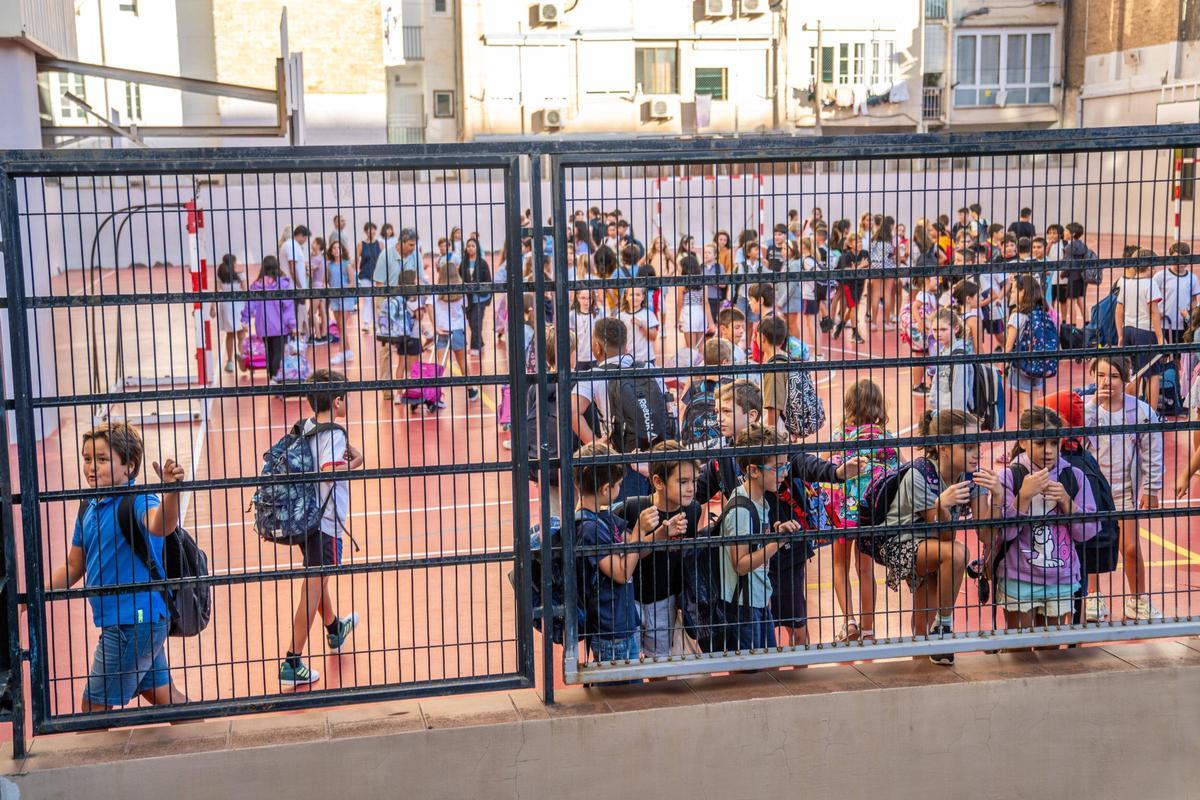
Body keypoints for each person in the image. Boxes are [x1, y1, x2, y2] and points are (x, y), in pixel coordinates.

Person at [48, 423, 189, 711]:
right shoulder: (89, 505)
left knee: (93, 710)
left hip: (134, 623)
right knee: (166, 698)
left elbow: (160, 524)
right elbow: (74, 565)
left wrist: (171, 492)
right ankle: (209, 744)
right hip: (129, 622)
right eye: (87, 459)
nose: (91, 467)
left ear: (130, 465)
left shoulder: (138, 500)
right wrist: (35, 595)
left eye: (101, 459)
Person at [877, 409, 1004, 663]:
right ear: (943, 448)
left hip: (933, 543)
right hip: (900, 543)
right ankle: (944, 626)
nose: (976, 453)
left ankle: (926, 657)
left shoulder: (972, 478)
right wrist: (941, 507)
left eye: (977, 445)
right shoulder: (920, 476)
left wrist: (997, 498)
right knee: (957, 553)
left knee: (925, 612)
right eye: (967, 447)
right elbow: (946, 538)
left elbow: (986, 535)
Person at [279, 370, 364, 685]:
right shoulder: (335, 434)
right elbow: (330, 469)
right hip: (327, 521)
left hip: (307, 518)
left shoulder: (309, 426)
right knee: (313, 586)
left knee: (319, 578)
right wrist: (354, 462)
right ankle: (291, 661)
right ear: (338, 401)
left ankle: (334, 629)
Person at [994, 407, 1099, 629]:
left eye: (1053, 442)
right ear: (1023, 441)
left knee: (1051, 650)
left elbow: (1087, 532)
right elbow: (1004, 533)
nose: (1048, 450)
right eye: (1040, 443)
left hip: (1061, 577)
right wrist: (1023, 497)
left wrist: (1067, 503)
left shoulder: (1074, 476)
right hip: (1018, 576)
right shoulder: (1009, 477)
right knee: (1019, 647)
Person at [1084, 356, 1163, 621]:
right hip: (1094, 492)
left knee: (1130, 547)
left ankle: (1137, 599)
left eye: (1114, 376)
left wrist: (1151, 488)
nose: (1107, 382)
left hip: (1126, 491)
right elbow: (1075, 435)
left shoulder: (1139, 411)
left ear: (1126, 379)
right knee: (1093, 544)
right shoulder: (1088, 408)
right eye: (1101, 375)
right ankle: (1093, 596)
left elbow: (1152, 450)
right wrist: (1094, 404)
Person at [575, 442, 666, 663]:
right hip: (609, 628)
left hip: (622, 622)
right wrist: (639, 530)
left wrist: (662, 532)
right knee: (621, 690)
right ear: (606, 489)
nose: (620, 489)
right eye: (618, 485)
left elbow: (635, 549)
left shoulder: (604, 517)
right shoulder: (589, 528)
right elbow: (621, 572)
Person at [827, 380, 898, 642]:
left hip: (842, 512)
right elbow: (896, 471)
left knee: (839, 565)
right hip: (871, 512)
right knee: (865, 569)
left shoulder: (839, 435)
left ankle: (849, 623)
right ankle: (868, 629)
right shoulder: (886, 438)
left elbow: (828, 469)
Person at [717, 425, 799, 651]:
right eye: (778, 467)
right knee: (752, 674)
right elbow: (741, 564)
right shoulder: (741, 510)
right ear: (753, 470)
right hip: (744, 606)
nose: (784, 473)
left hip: (758, 599)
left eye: (786, 465)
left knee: (768, 667)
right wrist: (776, 543)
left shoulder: (760, 501)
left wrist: (774, 534)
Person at [616, 441, 699, 659]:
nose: (691, 487)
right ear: (658, 482)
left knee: (660, 660)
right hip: (631, 598)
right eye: (682, 481)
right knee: (627, 660)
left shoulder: (693, 510)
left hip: (665, 599)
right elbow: (627, 555)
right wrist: (660, 535)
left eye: (694, 481)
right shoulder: (634, 507)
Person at [1115, 249, 1165, 410]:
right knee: (1153, 374)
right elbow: (1154, 312)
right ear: (1149, 267)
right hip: (1145, 331)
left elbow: (1118, 311)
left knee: (1133, 373)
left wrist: (1120, 335)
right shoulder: (1150, 284)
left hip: (1128, 329)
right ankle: (1152, 414)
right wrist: (1160, 338)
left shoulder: (1126, 282)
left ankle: (1130, 411)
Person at [242, 255, 297, 382]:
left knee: (269, 352)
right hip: (280, 325)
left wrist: (245, 319)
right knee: (279, 352)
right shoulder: (282, 284)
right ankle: (276, 378)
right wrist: (292, 325)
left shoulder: (257, 285)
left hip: (263, 325)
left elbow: (250, 304)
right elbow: (288, 306)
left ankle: (271, 377)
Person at [1005, 275, 1054, 418]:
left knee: (1024, 410)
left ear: (1022, 292)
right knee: (1034, 406)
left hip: (1021, 365)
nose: (1011, 294)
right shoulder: (1041, 313)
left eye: (1013, 291)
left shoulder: (1017, 316)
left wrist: (1005, 362)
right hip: (1038, 363)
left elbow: (1008, 346)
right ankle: (1036, 433)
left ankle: (1027, 438)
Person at [434, 260, 476, 401]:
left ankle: (436, 393)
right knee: (462, 361)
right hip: (457, 329)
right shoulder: (460, 290)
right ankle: (471, 390)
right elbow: (465, 307)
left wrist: (435, 326)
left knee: (440, 363)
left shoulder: (436, 291)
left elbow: (428, 305)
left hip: (442, 330)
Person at [1154, 242, 1200, 344]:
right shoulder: (1160, 276)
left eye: (1183, 258)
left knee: (1180, 356)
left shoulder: (1192, 278)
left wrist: (1189, 314)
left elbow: (1194, 300)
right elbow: (1151, 299)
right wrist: (1157, 313)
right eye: (1175, 258)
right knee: (1163, 355)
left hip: (1183, 325)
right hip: (1164, 324)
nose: (1179, 262)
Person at [210, 253, 247, 374]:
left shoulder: (220, 274)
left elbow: (216, 291)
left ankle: (230, 361)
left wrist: (212, 306)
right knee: (241, 335)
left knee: (229, 335)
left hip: (225, 306)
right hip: (239, 305)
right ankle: (242, 356)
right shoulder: (240, 274)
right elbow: (245, 291)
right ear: (233, 263)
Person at [325, 240, 357, 366]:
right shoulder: (330, 266)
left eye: (339, 247)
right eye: (334, 248)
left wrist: (344, 289)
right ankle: (348, 351)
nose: (336, 250)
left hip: (345, 297)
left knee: (342, 326)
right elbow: (327, 281)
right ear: (331, 251)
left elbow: (352, 282)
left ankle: (340, 353)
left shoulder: (346, 265)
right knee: (340, 327)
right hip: (334, 297)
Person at [459, 237, 492, 356]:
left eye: (473, 246)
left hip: (480, 298)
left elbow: (488, 281)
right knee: (471, 323)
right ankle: (481, 343)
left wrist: (486, 296)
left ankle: (475, 348)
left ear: (477, 248)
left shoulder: (483, 263)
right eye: (468, 246)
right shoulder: (463, 264)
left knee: (476, 322)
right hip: (468, 300)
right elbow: (460, 279)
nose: (470, 248)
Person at [617, 286, 659, 367]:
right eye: (631, 294)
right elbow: (617, 338)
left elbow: (653, 337)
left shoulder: (649, 314)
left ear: (643, 297)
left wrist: (642, 325)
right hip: (627, 360)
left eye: (638, 295)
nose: (634, 297)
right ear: (626, 297)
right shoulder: (620, 316)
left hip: (646, 358)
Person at [281, 225, 311, 334]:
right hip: (293, 287)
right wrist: (299, 286)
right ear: (301, 235)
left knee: (297, 314)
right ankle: (294, 339)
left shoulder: (292, 245)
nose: (305, 241)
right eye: (305, 238)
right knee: (294, 314)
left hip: (293, 285)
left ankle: (296, 337)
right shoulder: (291, 245)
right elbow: (292, 267)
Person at [676, 253, 709, 350]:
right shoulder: (702, 282)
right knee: (702, 346)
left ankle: (693, 364)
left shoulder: (682, 284)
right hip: (700, 313)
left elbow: (679, 304)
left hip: (688, 313)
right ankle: (703, 364)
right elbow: (705, 302)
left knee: (691, 348)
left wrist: (677, 320)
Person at [569, 288, 602, 371]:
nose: (586, 301)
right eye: (583, 298)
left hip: (595, 357)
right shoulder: (572, 315)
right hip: (579, 358)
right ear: (577, 297)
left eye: (589, 298)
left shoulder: (599, 313)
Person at [357, 222, 381, 333]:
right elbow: (356, 260)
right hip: (365, 274)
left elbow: (383, 260)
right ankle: (366, 322)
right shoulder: (361, 245)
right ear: (366, 231)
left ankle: (377, 323)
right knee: (367, 299)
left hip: (378, 275)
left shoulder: (380, 244)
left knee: (377, 299)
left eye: (373, 229)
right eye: (369, 229)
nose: (371, 232)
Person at [308, 236, 329, 343]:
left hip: (316, 286)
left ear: (319, 245)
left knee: (311, 312)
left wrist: (306, 266)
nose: (312, 244)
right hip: (322, 285)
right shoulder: (322, 258)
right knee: (323, 311)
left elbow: (309, 269)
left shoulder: (316, 259)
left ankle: (318, 335)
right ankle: (324, 333)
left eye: (314, 243)